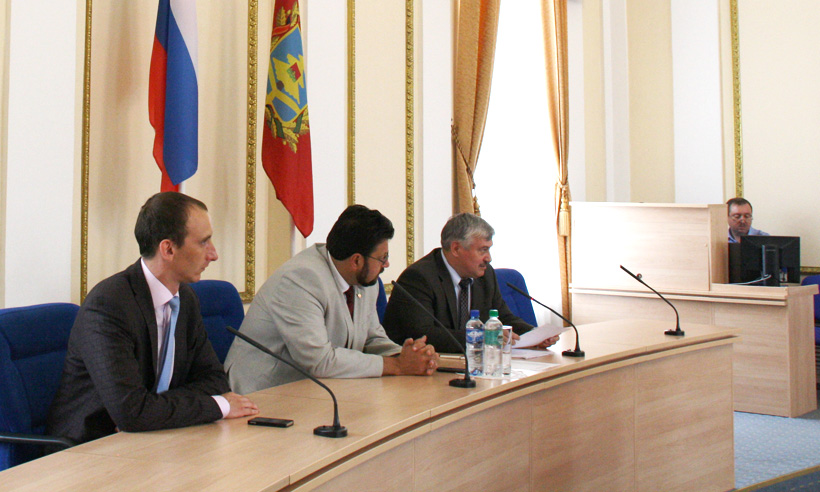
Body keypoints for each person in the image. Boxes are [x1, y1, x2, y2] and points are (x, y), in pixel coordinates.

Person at [47, 192, 259, 445]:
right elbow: (131, 412)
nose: (213, 254)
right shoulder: (109, 305)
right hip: (91, 447)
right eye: (203, 242)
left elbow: (214, 380)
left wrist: (154, 410)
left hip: (156, 435)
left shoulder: (185, 299)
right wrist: (219, 406)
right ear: (168, 249)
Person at [225, 205, 438, 393]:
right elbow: (319, 360)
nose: (387, 265)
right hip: (263, 392)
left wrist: (411, 356)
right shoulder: (301, 280)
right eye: (383, 258)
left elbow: (371, 339)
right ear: (356, 260)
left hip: (318, 389)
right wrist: (398, 366)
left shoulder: (365, 280)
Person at [383, 213, 559, 354]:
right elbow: (423, 334)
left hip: (471, 364)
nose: (489, 258)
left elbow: (503, 317)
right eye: (483, 250)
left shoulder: (485, 275)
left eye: (489, 249)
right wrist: (480, 337)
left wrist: (535, 335)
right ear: (456, 249)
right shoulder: (419, 277)